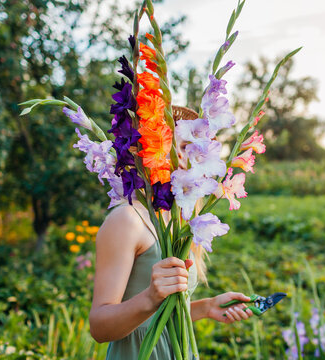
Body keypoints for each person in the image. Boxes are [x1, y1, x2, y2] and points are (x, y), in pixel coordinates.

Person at [89, 110, 254, 359]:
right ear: (148, 150)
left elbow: (163, 314)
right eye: (169, 143)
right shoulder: (127, 220)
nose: (180, 154)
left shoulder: (181, 218)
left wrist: (207, 307)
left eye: (188, 145)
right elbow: (99, 327)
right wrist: (149, 297)